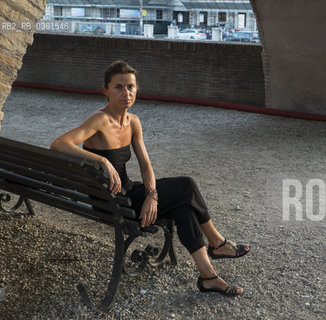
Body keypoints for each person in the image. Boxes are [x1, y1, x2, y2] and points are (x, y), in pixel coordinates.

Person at [50, 60, 250, 296]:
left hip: (127, 194)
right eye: (118, 87)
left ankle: (209, 277)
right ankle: (217, 243)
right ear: (105, 90)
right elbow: (58, 144)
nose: (126, 93)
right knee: (186, 185)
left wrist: (151, 195)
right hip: (112, 201)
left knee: (184, 208)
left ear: (137, 89)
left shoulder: (133, 121)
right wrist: (101, 160)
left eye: (131, 87)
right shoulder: (100, 120)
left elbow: (145, 164)